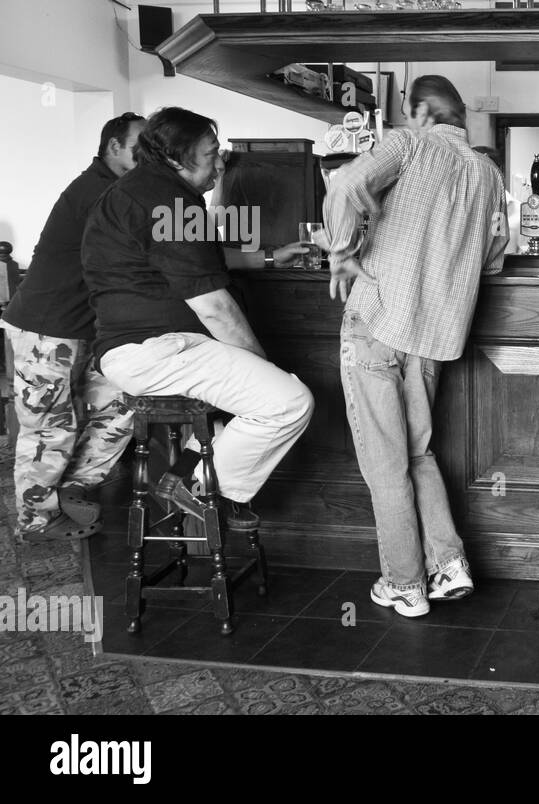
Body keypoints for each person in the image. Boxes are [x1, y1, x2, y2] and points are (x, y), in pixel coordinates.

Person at [320, 76, 508, 618]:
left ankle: (404, 583)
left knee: (385, 463)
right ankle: (448, 565)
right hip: (430, 337)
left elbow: (343, 188)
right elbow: (494, 255)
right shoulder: (487, 174)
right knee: (417, 452)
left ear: (418, 110)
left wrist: (341, 251)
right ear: (461, 114)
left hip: (376, 320)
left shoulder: (405, 143)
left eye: (406, 108)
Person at [82, 106, 315, 531]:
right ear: (176, 157)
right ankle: (199, 488)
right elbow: (215, 306)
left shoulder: (151, 192)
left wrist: (268, 256)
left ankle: (187, 472)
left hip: (151, 348)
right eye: (211, 154)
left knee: (239, 401)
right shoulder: (166, 201)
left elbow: (198, 258)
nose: (221, 162)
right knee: (288, 402)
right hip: (155, 349)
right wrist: (262, 364)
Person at [1, 113, 145, 541]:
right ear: (113, 147)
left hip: (89, 331)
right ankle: (36, 521)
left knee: (124, 403)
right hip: (46, 329)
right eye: (141, 144)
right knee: (49, 428)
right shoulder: (100, 192)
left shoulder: (122, 191)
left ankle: (74, 486)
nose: (149, 151)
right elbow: (156, 251)